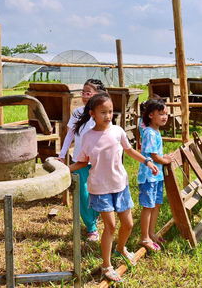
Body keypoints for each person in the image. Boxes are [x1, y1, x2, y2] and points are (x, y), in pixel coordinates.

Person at [68, 93, 158, 283]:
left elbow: (130, 150)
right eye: (103, 112)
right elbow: (82, 162)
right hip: (100, 188)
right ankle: (106, 265)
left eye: (110, 111)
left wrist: (147, 161)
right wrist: (65, 169)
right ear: (92, 113)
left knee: (128, 224)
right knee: (110, 226)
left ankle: (121, 248)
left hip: (120, 185)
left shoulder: (118, 131)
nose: (108, 116)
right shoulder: (88, 137)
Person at [57, 79, 106, 242]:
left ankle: (96, 216)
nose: (84, 95)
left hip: (98, 160)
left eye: (88, 92)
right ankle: (92, 228)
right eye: (83, 92)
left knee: (97, 192)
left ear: (98, 95)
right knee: (83, 194)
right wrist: (62, 153)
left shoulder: (103, 113)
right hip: (80, 160)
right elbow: (70, 134)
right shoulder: (78, 112)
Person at [138, 99, 173, 252]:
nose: (165, 117)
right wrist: (166, 160)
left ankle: (151, 233)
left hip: (156, 176)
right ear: (151, 115)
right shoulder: (149, 132)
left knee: (156, 205)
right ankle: (144, 237)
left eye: (166, 113)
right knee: (148, 206)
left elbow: (157, 154)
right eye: (161, 114)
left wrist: (163, 157)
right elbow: (154, 156)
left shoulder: (156, 131)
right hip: (149, 176)